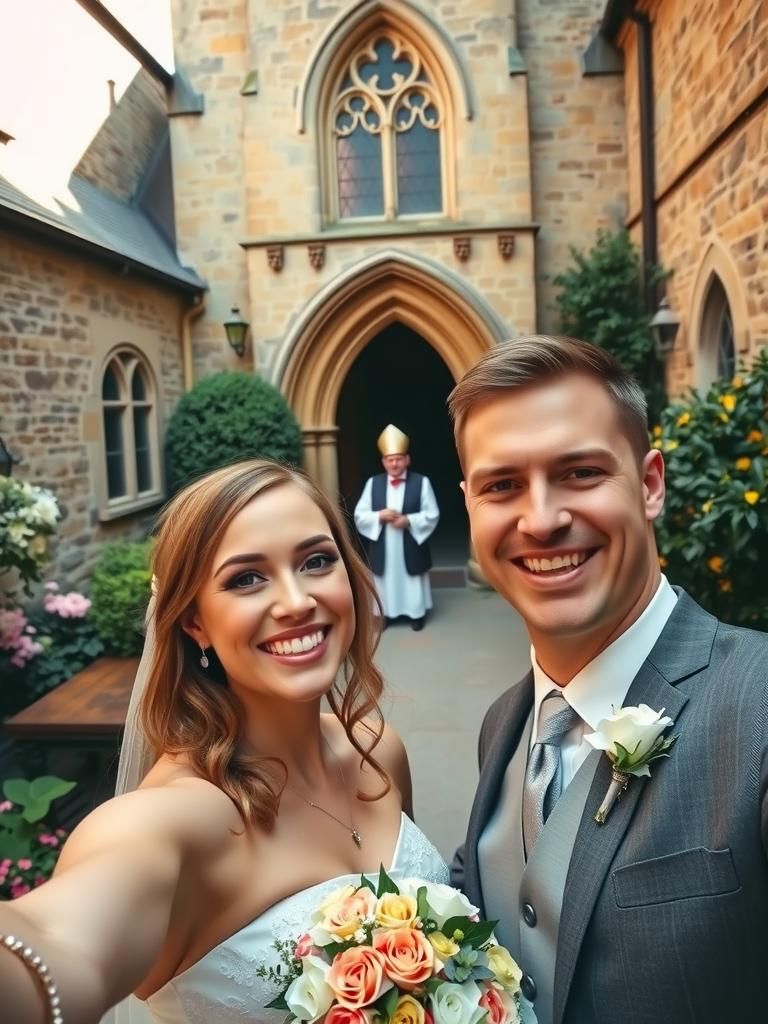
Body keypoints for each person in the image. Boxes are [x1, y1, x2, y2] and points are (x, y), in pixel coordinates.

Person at [0, 460, 448, 1024]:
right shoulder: (167, 823)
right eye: (246, 579)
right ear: (195, 624)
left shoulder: (377, 750)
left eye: (316, 561)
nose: (296, 601)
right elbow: (55, 939)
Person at [448, 336, 768, 1024]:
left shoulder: (759, 705)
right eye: (502, 485)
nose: (541, 519)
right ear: (470, 506)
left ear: (650, 483)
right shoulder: (504, 724)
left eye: (580, 473)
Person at [354, 424, 439, 631]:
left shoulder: (422, 482)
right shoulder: (373, 483)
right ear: (383, 462)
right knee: (385, 579)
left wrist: (409, 521)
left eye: (399, 458)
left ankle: (416, 614)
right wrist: (378, 516)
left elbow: (432, 513)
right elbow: (359, 514)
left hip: (410, 542)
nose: (394, 463)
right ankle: (386, 615)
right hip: (383, 544)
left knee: (412, 578)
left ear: (407, 460)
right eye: (390, 459)